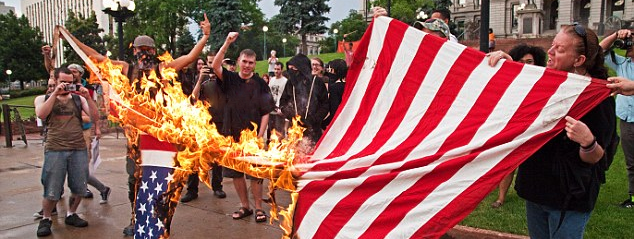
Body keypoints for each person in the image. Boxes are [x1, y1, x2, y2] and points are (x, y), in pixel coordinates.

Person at [62, 14, 211, 236]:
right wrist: (70, 37)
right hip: (135, 140)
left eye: (148, 49)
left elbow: (189, 58)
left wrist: (205, 36)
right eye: (140, 49)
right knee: (135, 180)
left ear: (154, 51)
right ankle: (137, 218)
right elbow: (95, 57)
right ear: (134, 51)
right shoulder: (125, 70)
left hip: (159, 139)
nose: (144, 53)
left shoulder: (163, 68)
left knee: (160, 183)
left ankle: (157, 219)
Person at [488, 23, 615, 238]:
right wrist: (505, 66)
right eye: (552, 44)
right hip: (536, 189)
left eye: (560, 49)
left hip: (569, 198)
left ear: (579, 60)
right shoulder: (544, 82)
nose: (550, 52)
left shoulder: (597, 99)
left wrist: (588, 141)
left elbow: (599, 158)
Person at [211, 32, 275, 223]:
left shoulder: (261, 84)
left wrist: (261, 134)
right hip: (232, 135)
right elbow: (215, 65)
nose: (247, 65)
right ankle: (245, 206)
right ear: (239, 61)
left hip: (253, 137)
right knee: (236, 173)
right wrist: (227, 43)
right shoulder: (229, 79)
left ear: (255, 65)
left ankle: (258, 208)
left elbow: (266, 111)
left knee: (255, 174)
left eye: (251, 63)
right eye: (244, 61)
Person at [34, 67, 93, 237]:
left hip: (77, 148)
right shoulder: (43, 98)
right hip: (55, 149)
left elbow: (95, 117)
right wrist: (54, 94)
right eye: (63, 82)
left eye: (70, 82)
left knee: (78, 186)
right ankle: (46, 218)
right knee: (52, 187)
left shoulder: (77, 99)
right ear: (55, 80)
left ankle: (71, 214)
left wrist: (88, 98)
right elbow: (42, 114)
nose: (67, 85)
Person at [489, 44, 546, 209]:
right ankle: (500, 198)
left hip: (534, 126)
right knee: (508, 163)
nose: (526, 65)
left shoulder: (545, 80)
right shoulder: (510, 79)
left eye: (530, 61)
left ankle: (533, 193)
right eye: (521, 61)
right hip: (513, 125)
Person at [600, 28, 634, 208]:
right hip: (627, 120)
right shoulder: (623, 63)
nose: (628, 44)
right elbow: (599, 51)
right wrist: (615, 35)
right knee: (632, 162)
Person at [186, 52, 227, 202]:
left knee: (217, 158)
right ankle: (192, 190)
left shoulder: (225, 80)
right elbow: (192, 99)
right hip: (202, 124)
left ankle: (217, 186)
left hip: (219, 124)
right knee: (196, 156)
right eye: (208, 62)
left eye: (214, 62)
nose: (211, 65)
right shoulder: (201, 81)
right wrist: (201, 79)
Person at [66, 64, 110, 201]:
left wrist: (97, 128)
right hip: (65, 131)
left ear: (80, 74)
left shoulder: (89, 89)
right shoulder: (63, 86)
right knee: (64, 165)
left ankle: (98, 188)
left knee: (81, 165)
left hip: (83, 130)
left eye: (74, 72)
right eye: (69, 72)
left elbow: (94, 111)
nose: (72, 74)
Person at [280, 54, 329, 146]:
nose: (291, 72)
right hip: (294, 130)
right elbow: (283, 102)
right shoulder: (290, 83)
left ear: (302, 68)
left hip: (313, 130)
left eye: (293, 69)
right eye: (289, 69)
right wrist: (291, 116)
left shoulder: (317, 82)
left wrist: (315, 119)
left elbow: (325, 104)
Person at [322, 59, 347, 130]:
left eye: (331, 70)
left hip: (339, 122)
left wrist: (323, 123)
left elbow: (334, 111)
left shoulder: (335, 88)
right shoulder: (348, 85)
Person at [268, 62, 288, 139]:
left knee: (279, 132)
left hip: (280, 110)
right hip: (271, 109)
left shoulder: (285, 81)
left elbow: (287, 97)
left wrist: (282, 108)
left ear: (282, 70)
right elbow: (269, 93)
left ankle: (280, 147)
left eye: (278, 69)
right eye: (275, 69)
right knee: (271, 130)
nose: (276, 71)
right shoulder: (272, 80)